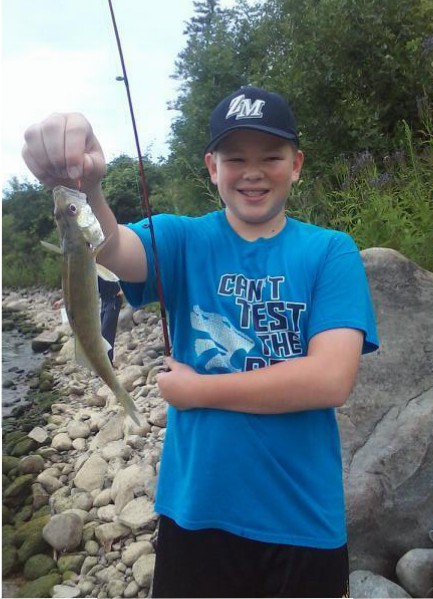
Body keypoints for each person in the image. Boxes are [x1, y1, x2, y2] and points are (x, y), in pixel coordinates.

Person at [22, 85, 379, 598]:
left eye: (271, 157)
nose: (253, 172)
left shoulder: (331, 252)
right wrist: (87, 185)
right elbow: (114, 247)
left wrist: (199, 391)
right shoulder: (181, 238)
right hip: (195, 512)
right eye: (235, 158)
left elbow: (330, 379)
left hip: (303, 520)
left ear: (296, 165)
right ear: (212, 167)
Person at [97, 276, 122, 364]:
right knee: (103, 332)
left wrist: (123, 289)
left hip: (114, 298)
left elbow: (120, 272)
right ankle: (105, 361)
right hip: (104, 300)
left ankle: (107, 362)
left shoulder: (103, 267)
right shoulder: (91, 271)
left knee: (106, 332)